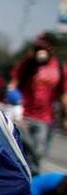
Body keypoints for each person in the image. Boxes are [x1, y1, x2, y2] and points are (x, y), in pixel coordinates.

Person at [9, 33, 67, 164]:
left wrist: (65, 117)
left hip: (45, 119)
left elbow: (63, 93)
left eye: (44, 48)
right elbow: (13, 84)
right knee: (20, 151)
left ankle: (32, 181)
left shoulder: (59, 67)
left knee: (38, 154)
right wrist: (13, 101)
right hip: (24, 116)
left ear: (52, 49)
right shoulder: (27, 64)